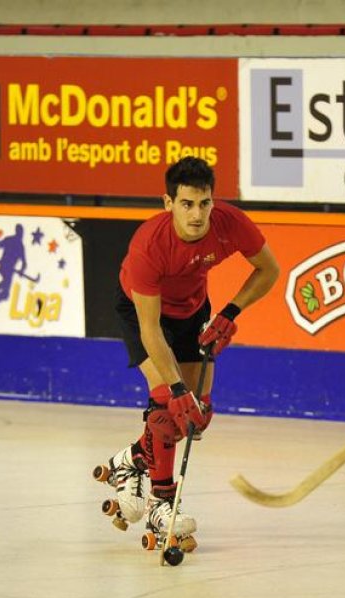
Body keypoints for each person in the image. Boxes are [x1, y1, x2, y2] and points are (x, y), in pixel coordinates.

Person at [94, 157, 279, 548]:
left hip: (194, 307)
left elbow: (269, 270)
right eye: (187, 204)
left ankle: (131, 463)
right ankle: (162, 505)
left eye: (205, 203)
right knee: (168, 405)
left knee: (196, 415)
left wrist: (230, 312)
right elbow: (149, 329)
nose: (197, 215)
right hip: (144, 311)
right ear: (168, 203)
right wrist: (177, 388)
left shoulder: (231, 224)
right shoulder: (150, 245)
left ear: (214, 201)